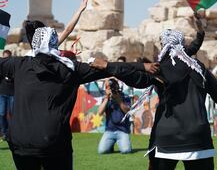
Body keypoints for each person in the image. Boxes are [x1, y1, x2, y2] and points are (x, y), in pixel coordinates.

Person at [0, 21, 160, 170]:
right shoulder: (70, 68)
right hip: (54, 142)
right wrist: (142, 66)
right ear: (55, 42)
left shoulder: (17, 64)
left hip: (20, 143)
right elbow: (111, 66)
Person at [147, 27, 217, 170]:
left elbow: (134, 76)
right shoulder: (197, 67)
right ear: (182, 44)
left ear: (163, 45)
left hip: (166, 133)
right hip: (196, 133)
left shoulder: (158, 68)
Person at [98, 79, 132, 154]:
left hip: (122, 130)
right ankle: (110, 145)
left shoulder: (125, 96)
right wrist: (106, 98)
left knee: (126, 150)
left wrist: (119, 100)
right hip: (109, 130)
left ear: (117, 86)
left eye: (111, 87)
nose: (110, 89)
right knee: (101, 151)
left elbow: (128, 112)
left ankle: (118, 142)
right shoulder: (105, 98)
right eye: (108, 88)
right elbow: (99, 113)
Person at [0, 50, 13, 142]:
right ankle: (4, 133)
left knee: (12, 114)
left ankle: (11, 133)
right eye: (4, 58)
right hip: (2, 94)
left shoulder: (14, 68)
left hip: (12, 94)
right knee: (2, 114)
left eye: (7, 58)